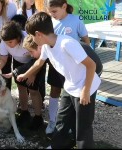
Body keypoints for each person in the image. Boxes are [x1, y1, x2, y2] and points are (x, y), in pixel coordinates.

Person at [18, 12, 101, 149]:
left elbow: (91, 65)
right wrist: (25, 75)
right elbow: (39, 62)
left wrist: (86, 91)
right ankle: (56, 145)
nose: (32, 39)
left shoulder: (66, 44)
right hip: (70, 86)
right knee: (62, 119)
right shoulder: (45, 46)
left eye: (32, 36)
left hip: (85, 87)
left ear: (38, 34)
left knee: (83, 126)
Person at [43, 0, 91, 135]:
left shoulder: (76, 20)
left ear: (64, 6)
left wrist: (86, 59)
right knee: (55, 90)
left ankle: (70, 124)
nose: (52, 14)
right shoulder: (50, 22)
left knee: (72, 94)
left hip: (74, 65)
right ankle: (53, 121)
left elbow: (86, 40)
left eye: (54, 11)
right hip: (56, 64)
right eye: (49, 12)